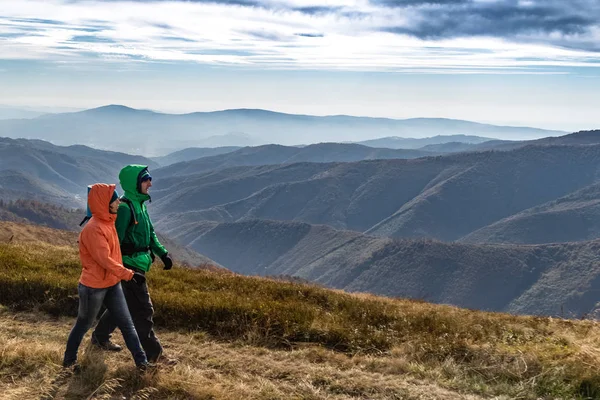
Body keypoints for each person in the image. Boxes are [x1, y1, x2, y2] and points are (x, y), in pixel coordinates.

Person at [91, 165, 175, 364]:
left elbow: (150, 233)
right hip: (129, 268)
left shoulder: (140, 205)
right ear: (135, 183)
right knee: (143, 311)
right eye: (146, 179)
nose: (150, 183)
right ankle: (154, 355)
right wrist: (120, 270)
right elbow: (114, 243)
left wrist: (163, 254)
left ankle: (99, 337)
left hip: (137, 264)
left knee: (124, 306)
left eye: (149, 179)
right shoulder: (125, 209)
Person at [63, 183, 150, 370]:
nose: (119, 202)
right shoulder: (94, 229)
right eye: (115, 199)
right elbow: (105, 260)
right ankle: (69, 361)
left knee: (127, 324)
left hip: (112, 282)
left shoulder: (108, 222)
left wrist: (124, 275)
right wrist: (129, 274)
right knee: (83, 324)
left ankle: (142, 364)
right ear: (105, 203)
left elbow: (113, 258)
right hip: (93, 287)